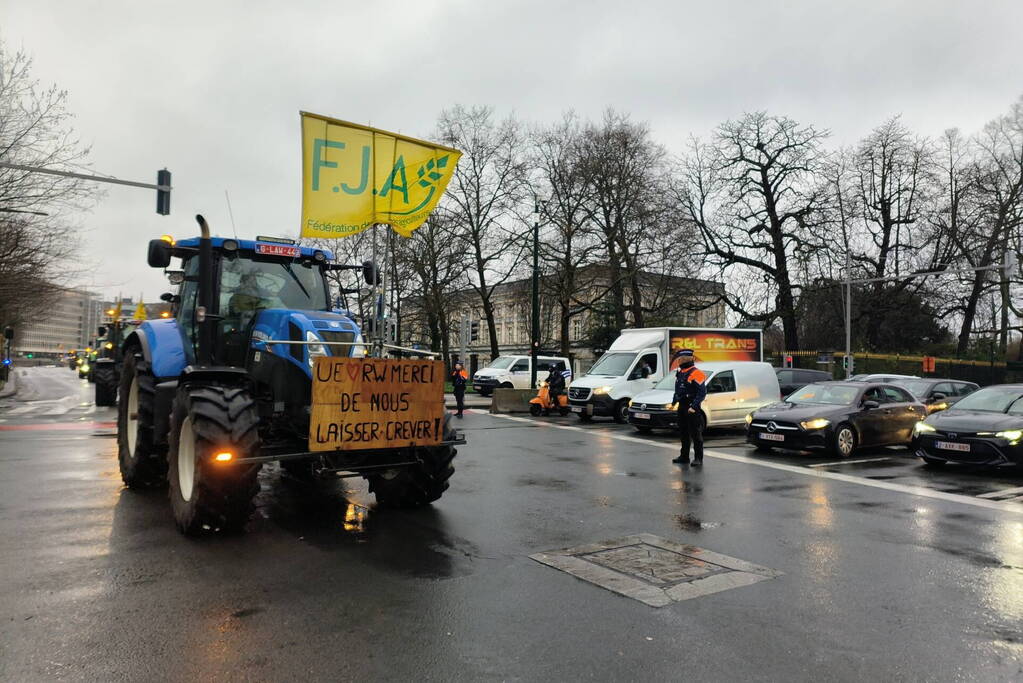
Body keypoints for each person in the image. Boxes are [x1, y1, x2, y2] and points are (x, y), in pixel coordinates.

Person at [671, 349, 707, 466]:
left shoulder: (697, 373)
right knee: (683, 433)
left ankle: (698, 458)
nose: (679, 361)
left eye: (681, 359)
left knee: (695, 433)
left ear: (688, 359)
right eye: (679, 359)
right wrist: (674, 401)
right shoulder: (681, 372)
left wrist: (693, 406)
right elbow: (678, 390)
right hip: (682, 405)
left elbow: (701, 393)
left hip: (692, 407)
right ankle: (684, 456)